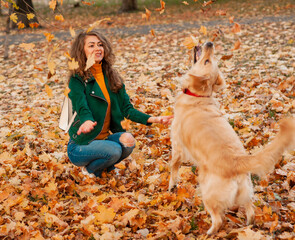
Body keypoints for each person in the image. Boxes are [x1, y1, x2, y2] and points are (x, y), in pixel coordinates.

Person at [67, 30, 173, 178]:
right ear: (81, 51)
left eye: (100, 45)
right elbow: (81, 105)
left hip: (104, 140)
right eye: (91, 46)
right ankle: (90, 171)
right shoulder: (77, 79)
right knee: (115, 150)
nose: (98, 48)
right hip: (81, 146)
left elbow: (127, 109)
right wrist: (87, 120)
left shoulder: (111, 77)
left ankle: (104, 169)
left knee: (128, 141)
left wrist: (153, 119)